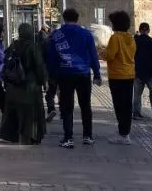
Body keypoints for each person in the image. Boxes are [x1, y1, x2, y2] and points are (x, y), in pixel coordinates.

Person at [45, 8, 101, 149]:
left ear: (64, 18)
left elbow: (52, 56)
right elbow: (94, 55)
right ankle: (87, 136)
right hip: (83, 73)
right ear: (77, 18)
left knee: (67, 106)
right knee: (85, 106)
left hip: (65, 74)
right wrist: (97, 73)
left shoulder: (56, 35)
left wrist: (52, 74)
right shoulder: (86, 34)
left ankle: (68, 137)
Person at [0, 23, 47, 144]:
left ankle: (10, 135)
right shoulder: (33, 47)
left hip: (13, 86)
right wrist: (43, 81)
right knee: (31, 113)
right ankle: (31, 136)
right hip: (29, 86)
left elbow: (5, 63)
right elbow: (39, 67)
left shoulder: (12, 46)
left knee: (12, 113)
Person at [103, 11, 136, 145]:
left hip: (117, 75)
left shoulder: (115, 38)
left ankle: (122, 134)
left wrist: (102, 52)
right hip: (129, 74)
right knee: (127, 105)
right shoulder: (131, 38)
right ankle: (125, 132)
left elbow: (110, 55)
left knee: (119, 105)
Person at [133, 22, 152, 120]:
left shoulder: (135, 42)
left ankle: (136, 113)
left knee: (137, 94)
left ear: (140, 30)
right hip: (151, 72)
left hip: (138, 72)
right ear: (148, 30)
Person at [39, 25, 57, 122]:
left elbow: (41, 59)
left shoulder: (46, 43)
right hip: (63, 72)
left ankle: (51, 109)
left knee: (50, 93)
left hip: (50, 72)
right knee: (64, 93)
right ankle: (65, 112)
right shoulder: (61, 44)